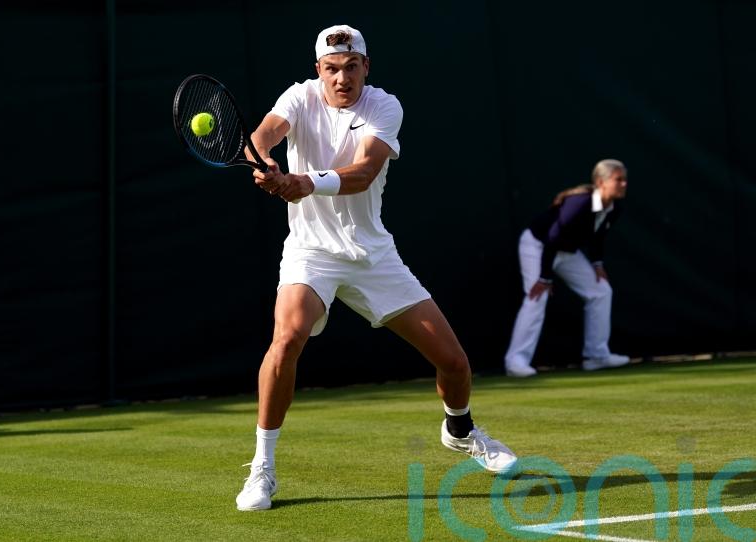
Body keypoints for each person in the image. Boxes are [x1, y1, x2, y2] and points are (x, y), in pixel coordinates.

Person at [235, 24, 517, 511]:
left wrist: (304, 182)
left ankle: (460, 429)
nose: (341, 78)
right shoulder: (299, 97)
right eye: (331, 69)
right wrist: (266, 163)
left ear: (366, 66)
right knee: (287, 339)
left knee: (454, 363)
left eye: (351, 67)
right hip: (311, 252)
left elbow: (364, 172)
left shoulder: (385, 107)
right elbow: (263, 136)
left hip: (372, 254)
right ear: (318, 71)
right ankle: (263, 466)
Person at [503, 159, 630, 378]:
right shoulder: (580, 202)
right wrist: (544, 277)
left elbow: (598, 236)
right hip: (537, 245)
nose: (624, 184)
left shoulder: (614, 208)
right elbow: (552, 237)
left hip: (567, 251)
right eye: (618, 180)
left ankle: (596, 356)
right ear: (601, 182)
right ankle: (515, 361)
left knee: (601, 290)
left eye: (624, 179)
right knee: (537, 296)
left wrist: (597, 264)